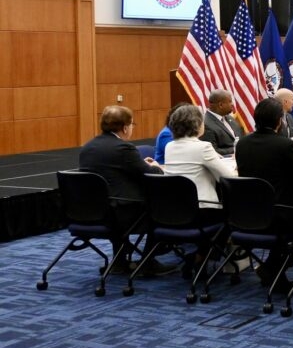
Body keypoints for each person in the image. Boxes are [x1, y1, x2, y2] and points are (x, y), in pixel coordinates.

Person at [79, 105, 175, 276]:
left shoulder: (88, 147)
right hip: (124, 213)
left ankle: (119, 261)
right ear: (125, 127)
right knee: (162, 210)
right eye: (132, 124)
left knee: (117, 200)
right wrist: (154, 165)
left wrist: (140, 163)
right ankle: (147, 262)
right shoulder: (123, 148)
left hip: (93, 211)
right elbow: (152, 174)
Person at [235, 97, 293, 290]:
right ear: (280, 121)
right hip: (281, 214)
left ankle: (271, 267)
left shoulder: (242, 144)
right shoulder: (285, 145)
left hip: (249, 214)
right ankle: (274, 267)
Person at [163, 104, 235, 276]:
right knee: (231, 218)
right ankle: (201, 257)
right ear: (196, 124)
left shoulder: (170, 146)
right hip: (202, 211)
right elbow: (229, 177)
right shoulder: (203, 147)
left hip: (175, 211)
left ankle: (198, 256)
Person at [201, 89, 245, 156]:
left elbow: (242, 137)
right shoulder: (206, 124)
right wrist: (237, 149)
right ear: (220, 105)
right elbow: (212, 151)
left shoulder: (230, 118)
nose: (232, 104)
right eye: (230, 101)